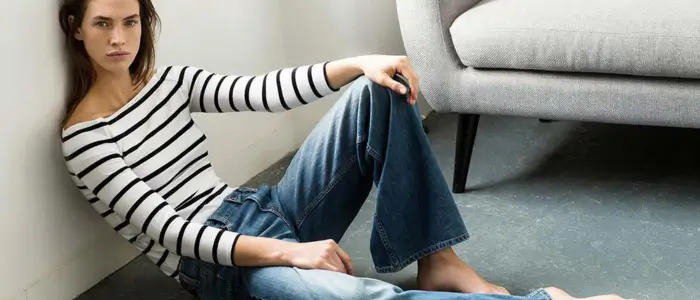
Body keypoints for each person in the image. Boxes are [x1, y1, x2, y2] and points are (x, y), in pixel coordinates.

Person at [57, 1, 633, 300]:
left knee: (375, 91)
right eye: (103, 24)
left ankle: (439, 260)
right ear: (75, 28)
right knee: (357, 299)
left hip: (268, 208)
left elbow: (260, 92)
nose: (119, 39)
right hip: (225, 268)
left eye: (130, 22)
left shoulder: (164, 80)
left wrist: (360, 63)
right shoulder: (84, 140)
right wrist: (290, 255)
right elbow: (170, 232)